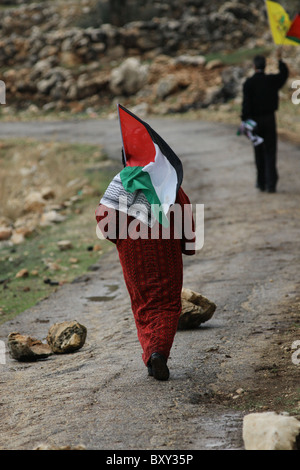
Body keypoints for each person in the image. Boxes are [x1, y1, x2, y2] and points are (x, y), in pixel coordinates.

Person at [96, 181, 195, 381]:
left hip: (133, 251)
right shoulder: (169, 182)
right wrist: (187, 245)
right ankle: (158, 352)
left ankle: (152, 356)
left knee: (143, 303)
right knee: (167, 303)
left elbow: (103, 216)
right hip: (166, 248)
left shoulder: (122, 182)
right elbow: (184, 215)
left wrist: (121, 240)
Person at [241, 48, 289, 193]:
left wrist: (245, 121)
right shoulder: (271, 80)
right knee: (270, 151)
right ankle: (271, 184)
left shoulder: (248, 83)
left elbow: (245, 106)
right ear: (265, 66)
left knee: (258, 151)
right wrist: (280, 61)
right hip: (269, 119)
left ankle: (261, 182)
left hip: (254, 121)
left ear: (254, 66)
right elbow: (284, 75)